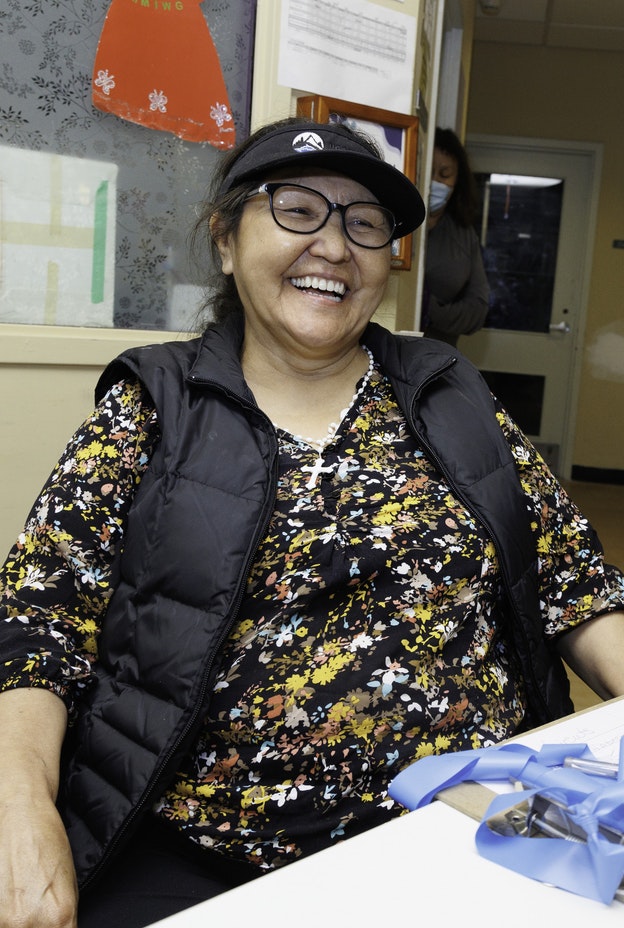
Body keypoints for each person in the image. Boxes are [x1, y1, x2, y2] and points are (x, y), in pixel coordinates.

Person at [1, 116, 624, 928]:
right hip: (215, 854)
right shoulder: (155, 406)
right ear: (226, 240)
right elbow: (38, 625)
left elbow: (575, 583)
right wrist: (21, 811)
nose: (334, 246)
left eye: (364, 223)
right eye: (296, 208)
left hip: (474, 823)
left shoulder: (447, 392)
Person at [422, 126, 490, 345]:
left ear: (457, 181)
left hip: (440, 353)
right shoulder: (397, 221)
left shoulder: (463, 233)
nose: (435, 182)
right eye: (429, 172)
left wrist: (429, 310)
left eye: (444, 174)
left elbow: (478, 309)